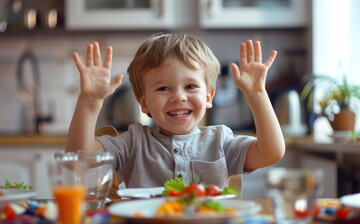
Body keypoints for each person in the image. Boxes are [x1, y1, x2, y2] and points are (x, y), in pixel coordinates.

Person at [66, 33, 285, 188]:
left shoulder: (221, 141)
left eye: (190, 86)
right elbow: (79, 161)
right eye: (163, 88)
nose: (178, 97)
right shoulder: (134, 143)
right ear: (144, 103)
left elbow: (271, 152)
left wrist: (257, 96)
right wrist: (89, 101)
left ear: (208, 97)